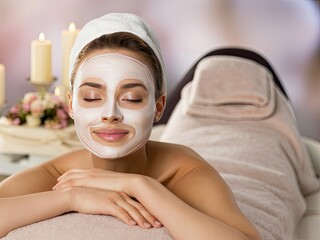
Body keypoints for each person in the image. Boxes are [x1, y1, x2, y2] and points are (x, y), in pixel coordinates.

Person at [0, 13, 261, 240]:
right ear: (71, 105)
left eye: (131, 98)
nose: (110, 114)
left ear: (159, 107)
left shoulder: (186, 173)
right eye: (92, 98)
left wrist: (140, 186)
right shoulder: (63, 175)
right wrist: (72, 198)